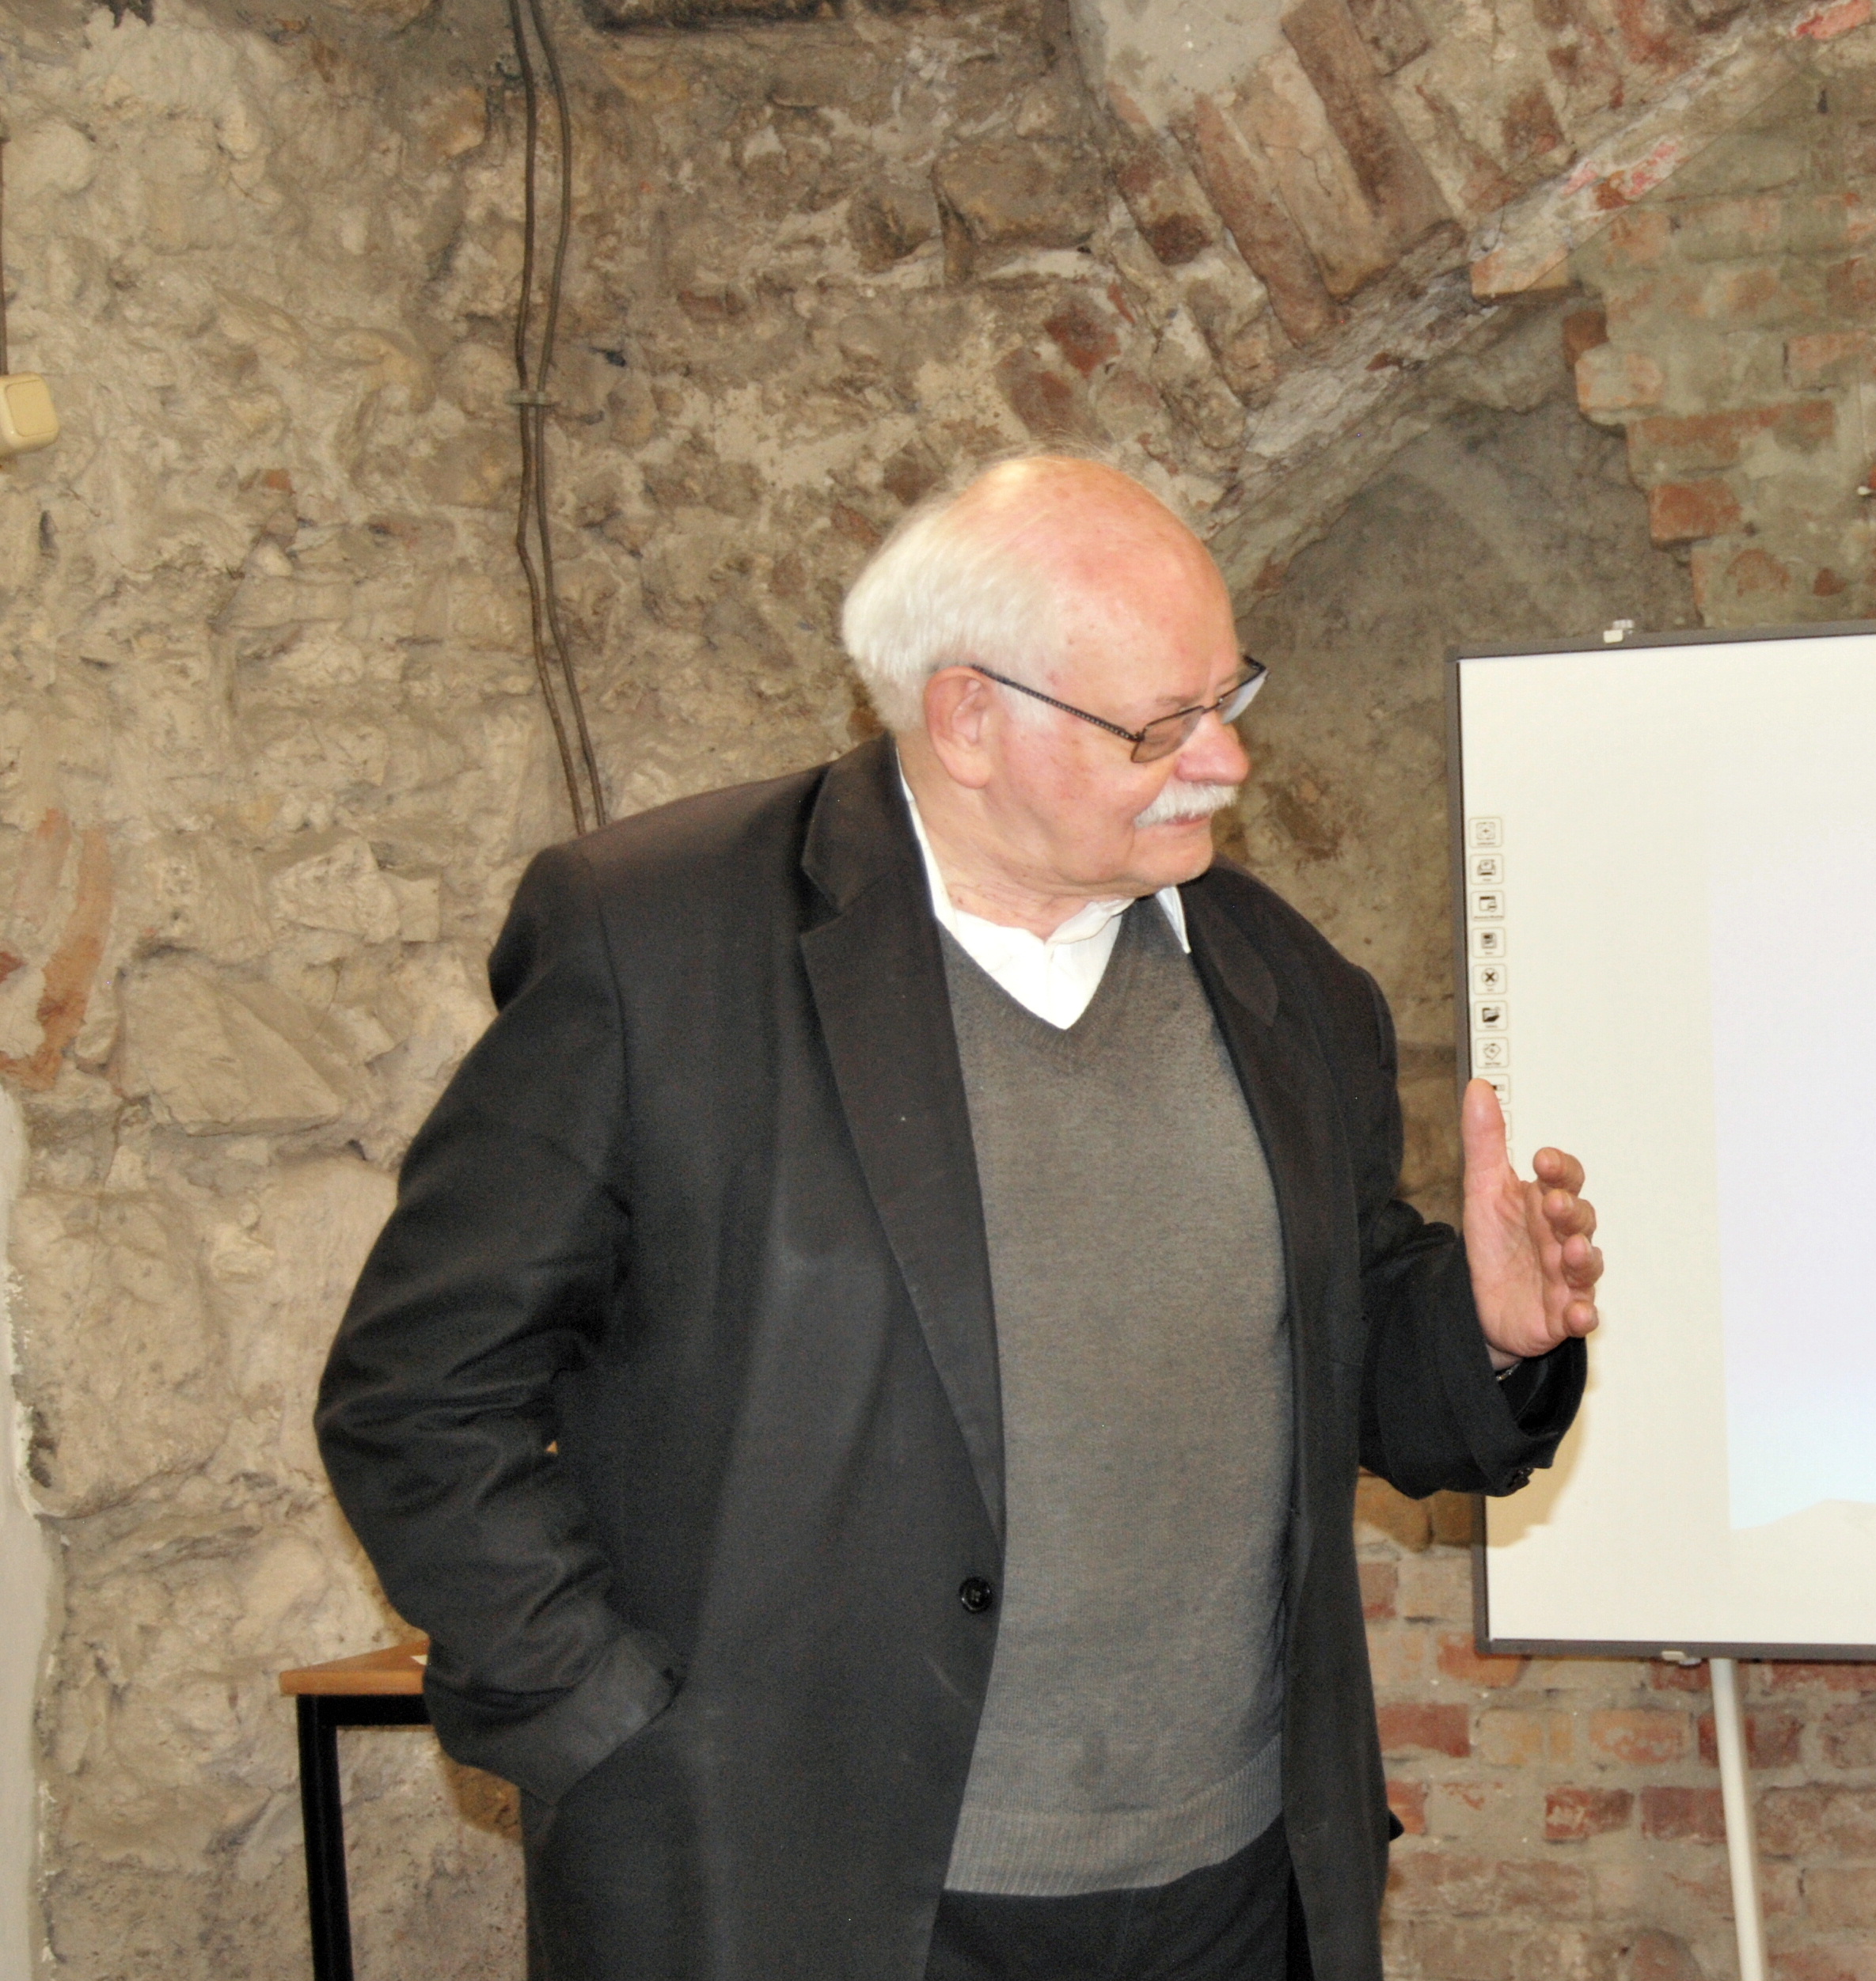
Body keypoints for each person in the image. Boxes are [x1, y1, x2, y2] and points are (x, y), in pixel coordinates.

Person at [313, 454, 1601, 1981]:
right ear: (969, 717)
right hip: (807, 1897)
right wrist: (609, 1731)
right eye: (1159, 726)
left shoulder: (1288, 981)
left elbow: (1349, 1355)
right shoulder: (657, 944)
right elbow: (420, 1393)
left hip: (1234, 1890)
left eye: (1227, 699)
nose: (1226, 762)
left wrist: (1483, 1331)